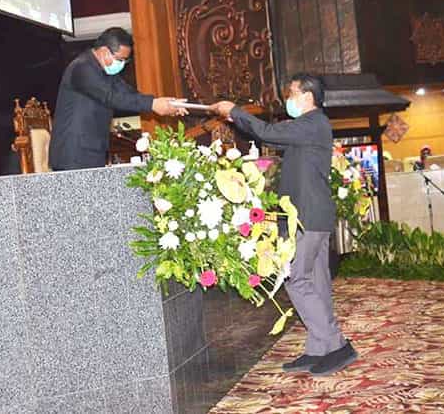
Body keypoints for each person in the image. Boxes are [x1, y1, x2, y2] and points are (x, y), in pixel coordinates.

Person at [211, 73, 357, 377]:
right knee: (316, 281)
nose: (287, 99)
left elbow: (266, 132)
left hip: (306, 216)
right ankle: (319, 348)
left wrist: (234, 110)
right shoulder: (310, 125)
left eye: (291, 93)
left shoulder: (313, 122)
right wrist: (235, 116)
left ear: (307, 96)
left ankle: (336, 344)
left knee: (296, 279)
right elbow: (272, 137)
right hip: (310, 215)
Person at [50, 27, 186, 171]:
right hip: (73, 153)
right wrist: (153, 104)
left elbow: (128, 93)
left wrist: (165, 104)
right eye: (120, 59)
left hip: (92, 149)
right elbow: (111, 97)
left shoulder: (106, 73)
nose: (122, 64)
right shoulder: (82, 67)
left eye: (125, 61)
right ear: (104, 52)